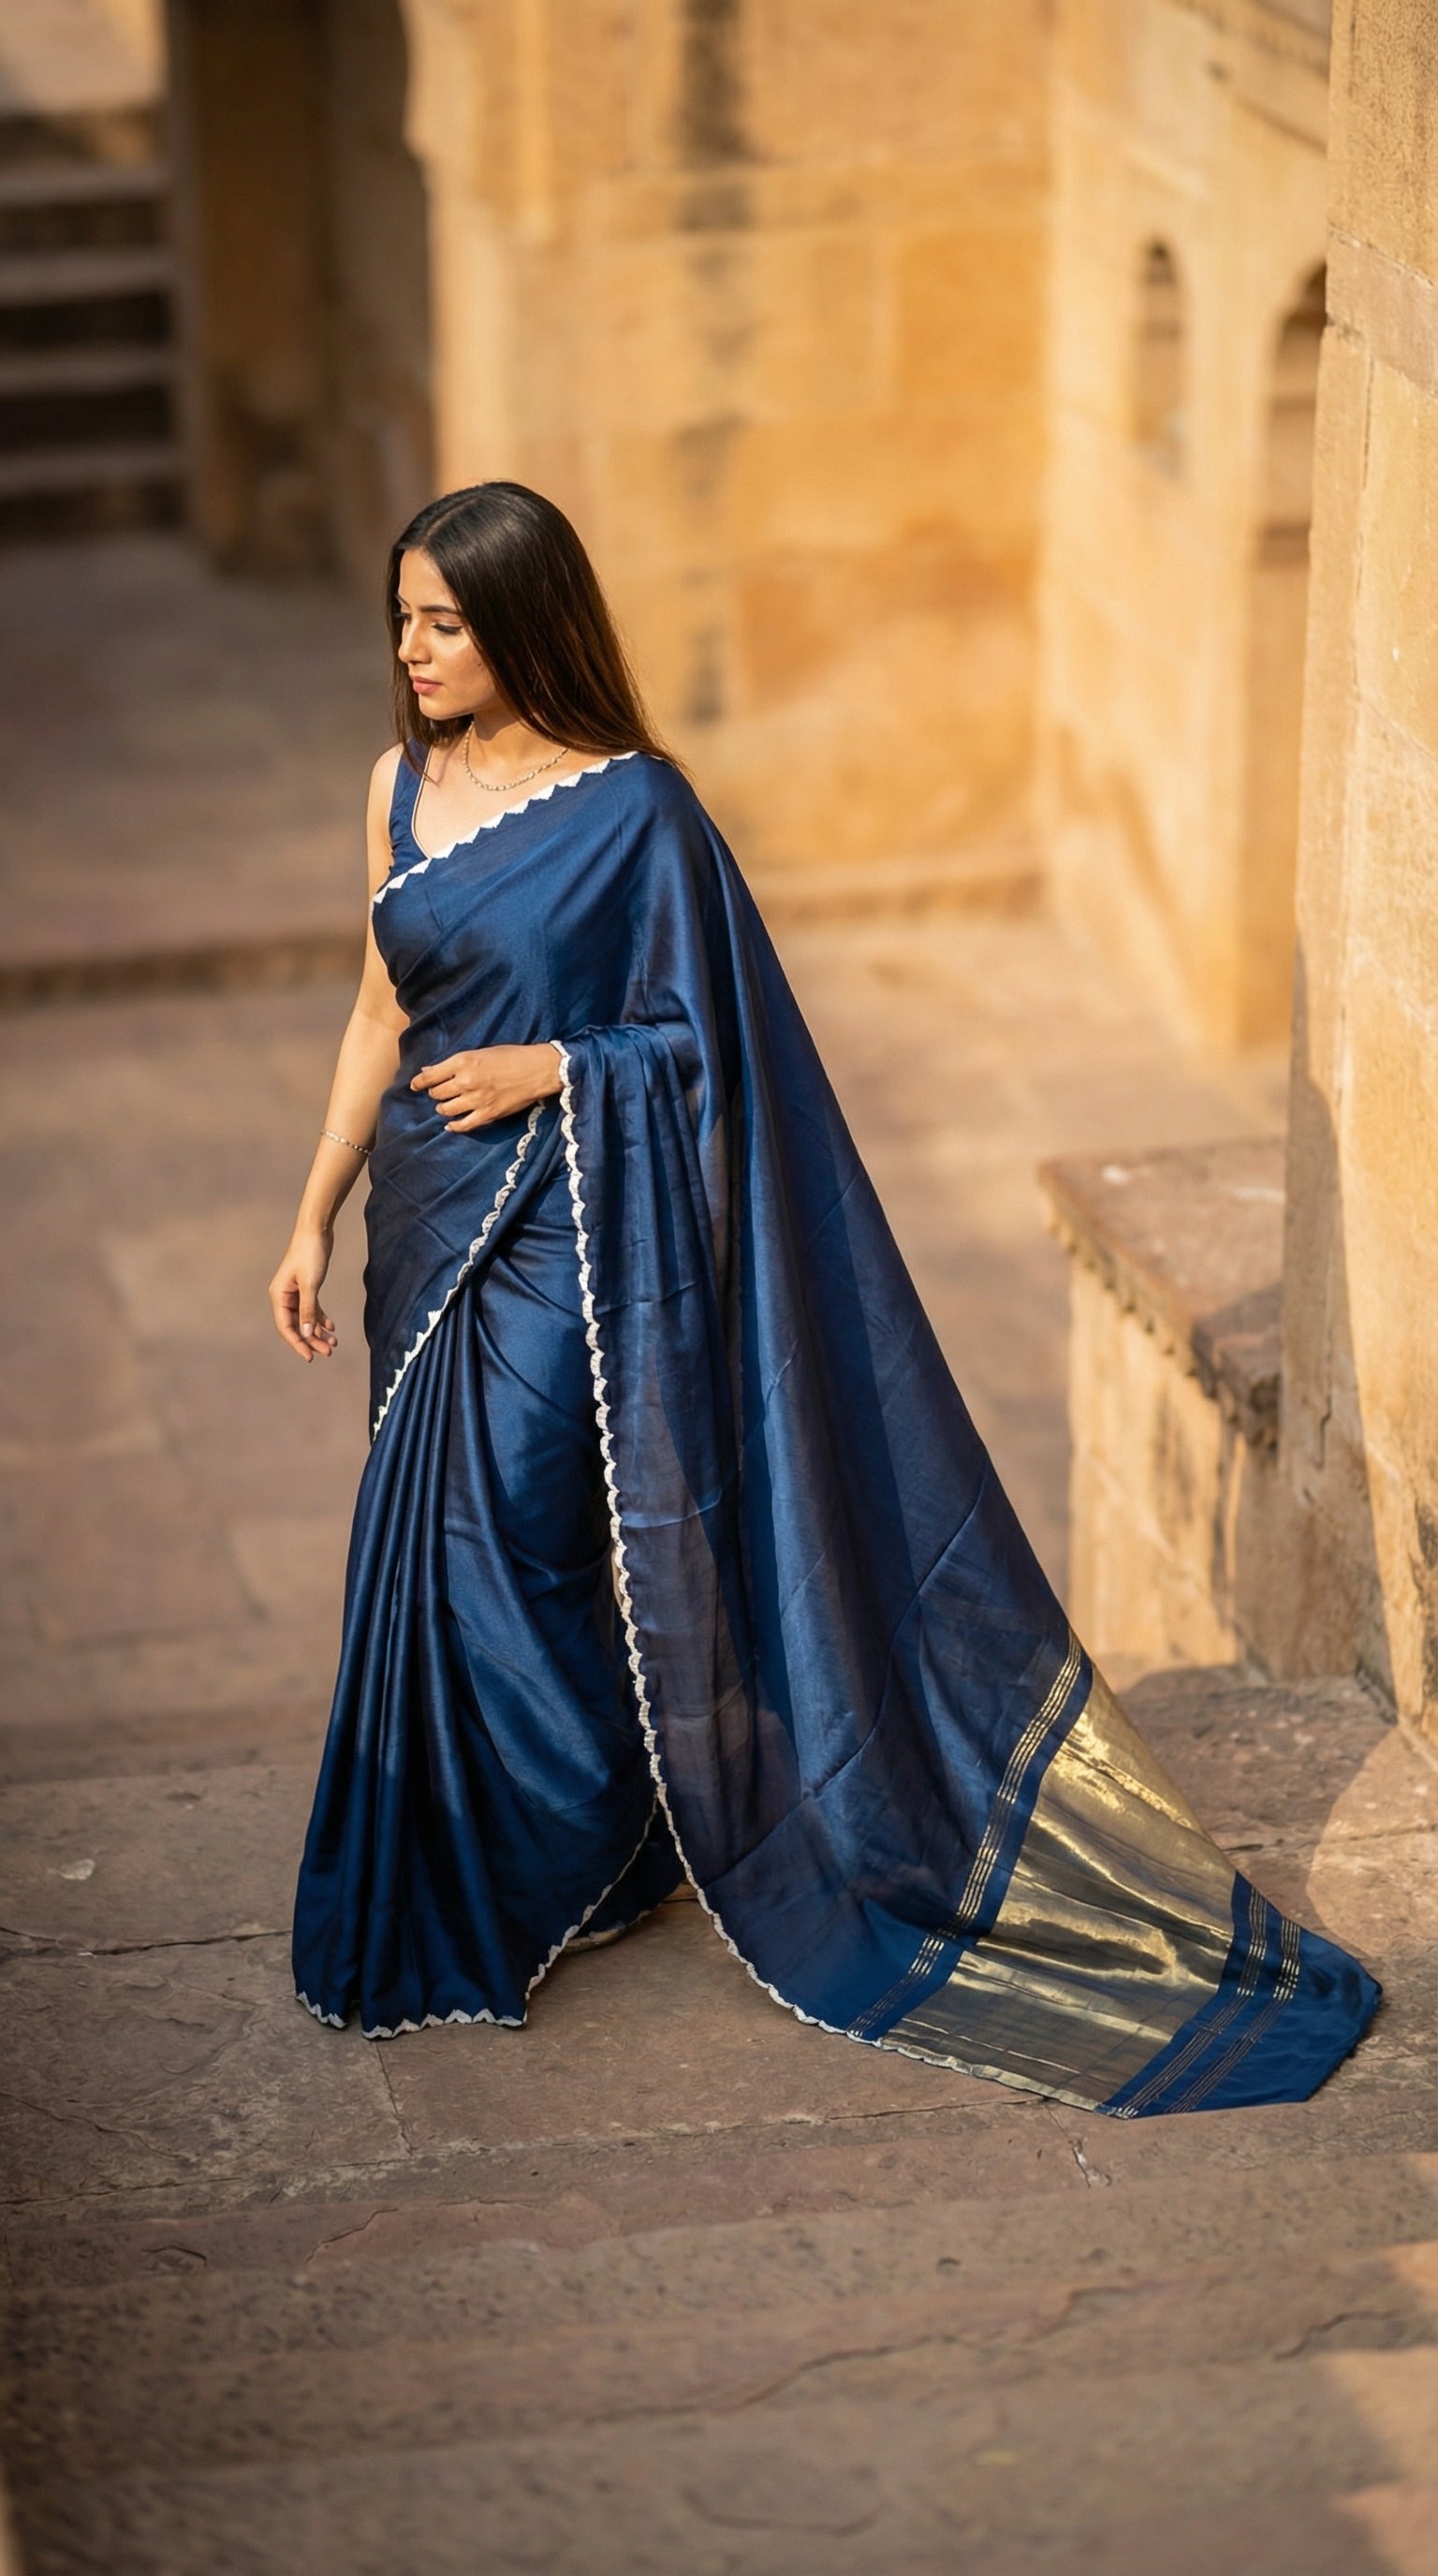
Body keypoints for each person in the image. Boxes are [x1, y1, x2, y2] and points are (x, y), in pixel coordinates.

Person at [271, 481, 1377, 2115]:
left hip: (571, 1229)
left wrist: (558, 1066)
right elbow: (379, 1010)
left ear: (525, 623)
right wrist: (313, 1214)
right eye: (404, 619)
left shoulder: (639, 811)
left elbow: (711, 1047)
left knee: (516, 1526)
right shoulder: (397, 784)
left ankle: (577, 1835)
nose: (414, 651)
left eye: (446, 623)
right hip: (427, 1227)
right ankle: (501, 1859)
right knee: (427, 1537)